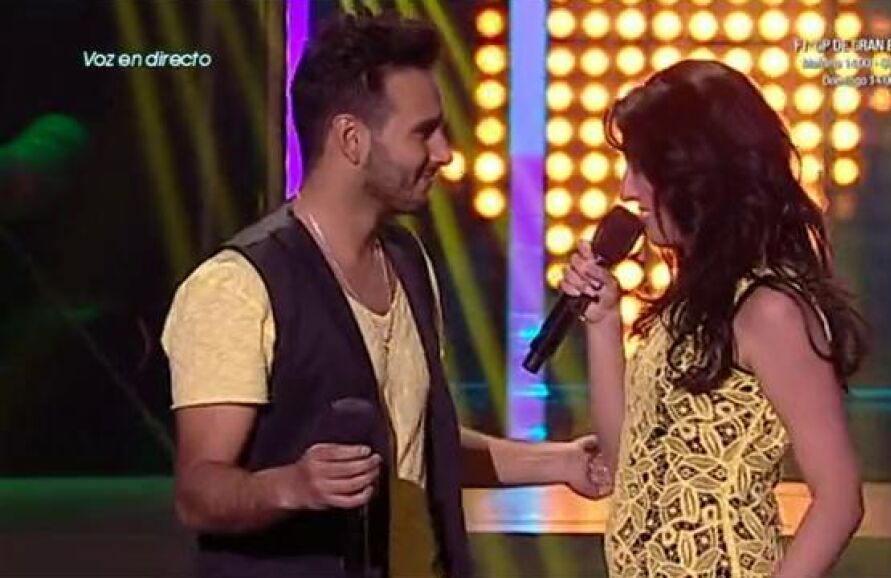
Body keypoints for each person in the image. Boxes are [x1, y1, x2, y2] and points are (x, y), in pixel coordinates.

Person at [163, 11, 608, 578]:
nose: (445, 152)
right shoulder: (237, 287)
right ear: (352, 139)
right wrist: (291, 485)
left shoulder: (407, 261)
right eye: (424, 132)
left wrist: (560, 462)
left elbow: (419, 445)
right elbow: (199, 492)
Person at [560, 59, 868, 578]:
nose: (627, 191)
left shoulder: (768, 310)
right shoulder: (682, 311)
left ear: (695, 177)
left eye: (642, 170)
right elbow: (625, 463)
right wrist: (603, 324)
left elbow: (839, 498)